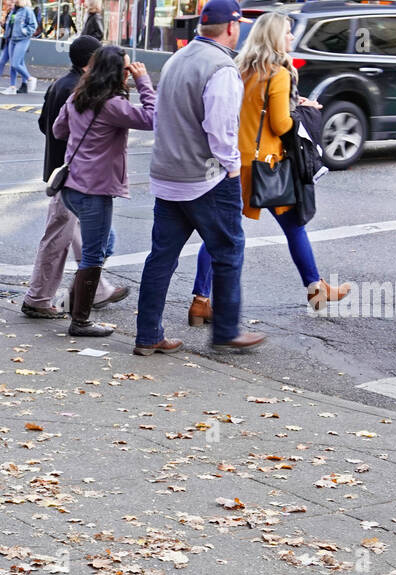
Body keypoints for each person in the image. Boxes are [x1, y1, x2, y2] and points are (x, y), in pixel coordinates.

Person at [194, 12, 349, 311]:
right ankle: (316, 288)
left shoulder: (239, 68)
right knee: (294, 227)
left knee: (220, 231)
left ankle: (200, 299)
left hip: (235, 162)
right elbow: (279, 124)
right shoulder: (277, 73)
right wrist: (306, 114)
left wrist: (295, 104)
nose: (292, 37)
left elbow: (252, 110)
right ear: (276, 38)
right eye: (288, 32)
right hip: (267, 165)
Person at [135, 0, 266, 353]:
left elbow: (162, 117)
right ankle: (224, 331)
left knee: (161, 258)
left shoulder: (178, 59)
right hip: (206, 178)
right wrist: (232, 168)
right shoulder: (221, 67)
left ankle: (148, 335)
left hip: (168, 175)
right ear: (232, 27)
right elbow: (221, 129)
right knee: (228, 251)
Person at [52, 44, 157, 336]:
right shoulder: (112, 106)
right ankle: (80, 321)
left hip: (71, 186)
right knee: (94, 254)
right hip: (94, 191)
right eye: (126, 69)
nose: (129, 73)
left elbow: (59, 131)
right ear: (116, 73)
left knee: (102, 245)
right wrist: (143, 81)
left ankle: (75, 301)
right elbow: (152, 118)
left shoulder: (78, 97)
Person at [23, 35, 128, 321]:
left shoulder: (61, 84)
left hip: (65, 173)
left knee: (85, 237)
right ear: (92, 61)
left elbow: (47, 125)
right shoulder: (82, 90)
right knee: (63, 238)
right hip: (76, 176)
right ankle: (42, 297)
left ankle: (88, 290)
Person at [6, 0, 39, 93]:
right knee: (13, 64)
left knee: (15, 63)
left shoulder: (27, 10)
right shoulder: (14, 10)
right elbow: (11, 24)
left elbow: (33, 25)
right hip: (12, 39)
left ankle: (30, 78)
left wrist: (25, 32)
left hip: (22, 39)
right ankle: (12, 87)